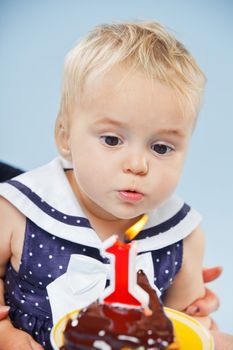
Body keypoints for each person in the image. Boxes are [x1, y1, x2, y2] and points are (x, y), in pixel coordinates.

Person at [0, 21, 222, 349]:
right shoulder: (21, 209)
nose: (137, 164)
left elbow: (184, 323)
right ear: (65, 135)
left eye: (161, 147)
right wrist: (4, 333)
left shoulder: (182, 235)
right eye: (112, 139)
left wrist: (198, 323)